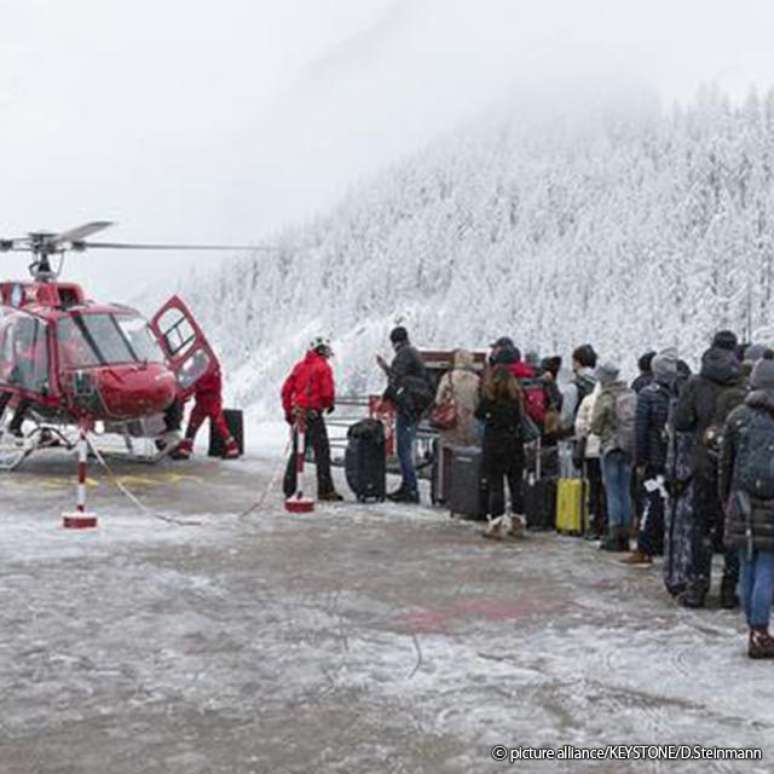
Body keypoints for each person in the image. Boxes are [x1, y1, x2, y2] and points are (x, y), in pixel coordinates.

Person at [673, 330, 746, 608]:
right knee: (732, 526)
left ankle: (698, 586)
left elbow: (680, 421)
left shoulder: (696, 383)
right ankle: (730, 588)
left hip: (704, 462)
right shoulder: (742, 383)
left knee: (700, 526)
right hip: (734, 464)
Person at [719, 359, 774, 658]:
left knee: (747, 564)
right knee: (768, 565)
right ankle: (761, 631)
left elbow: (725, 464)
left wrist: (724, 498)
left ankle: (753, 630)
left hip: (741, 499)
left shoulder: (737, 417)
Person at [622, 348, 678, 566]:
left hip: (654, 461)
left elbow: (641, 430)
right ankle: (666, 544)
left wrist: (639, 460)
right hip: (674, 459)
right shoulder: (680, 392)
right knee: (669, 502)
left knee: (651, 501)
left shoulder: (647, 395)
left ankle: (644, 547)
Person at [281, 337, 342, 501]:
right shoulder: (323, 368)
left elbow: (286, 391)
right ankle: (325, 490)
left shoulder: (299, 367)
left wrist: (289, 413)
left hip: (299, 415)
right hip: (313, 416)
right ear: (321, 350)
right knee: (322, 452)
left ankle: (289, 488)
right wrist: (328, 404)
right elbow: (327, 393)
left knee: (297, 452)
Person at [377, 326, 432, 504]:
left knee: (403, 450)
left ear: (395, 342)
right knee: (405, 448)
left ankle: (411, 489)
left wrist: (383, 398)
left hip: (408, 409)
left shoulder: (404, 354)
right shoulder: (412, 352)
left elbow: (395, 378)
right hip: (415, 407)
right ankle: (407, 486)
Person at [475, 366, 527, 541]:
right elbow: (520, 420)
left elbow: (478, 414)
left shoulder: (489, 399)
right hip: (515, 445)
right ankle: (518, 522)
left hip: (495, 445)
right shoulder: (516, 399)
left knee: (496, 486)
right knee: (516, 485)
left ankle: (496, 524)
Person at [591, 361, 637, 551]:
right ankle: (626, 533)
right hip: (628, 447)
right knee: (625, 490)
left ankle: (614, 534)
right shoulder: (630, 393)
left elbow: (596, 425)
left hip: (611, 447)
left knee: (612, 491)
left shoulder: (606, 396)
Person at [432, 349, 481, 501]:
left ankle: (445, 493)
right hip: (470, 424)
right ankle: (465, 493)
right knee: (467, 459)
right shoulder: (476, 380)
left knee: (448, 459)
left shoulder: (448, 378)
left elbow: (438, 400)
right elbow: (479, 403)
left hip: (451, 423)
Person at [177, 352, 240, 461]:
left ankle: (233, 449)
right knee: (193, 424)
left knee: (219, 425)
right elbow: (189, 378)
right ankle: (185, 449)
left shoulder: (211, 371)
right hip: (203, 402)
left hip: (212, 402)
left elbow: (198, 383)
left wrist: (191, 386)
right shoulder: (202, 369)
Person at [574, 381, 606, 540]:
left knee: (594, 488)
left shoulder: (588, 400)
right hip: (610, 449)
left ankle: (594, 524)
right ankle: (608, 524)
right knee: (608, 489)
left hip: (592, 451)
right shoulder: (616, 397)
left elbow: (579, 426)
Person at [559, 344, 598, 436]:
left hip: (579, 436)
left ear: (578, 363)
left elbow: (567, 417)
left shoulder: (573, 387)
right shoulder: (602, 383)